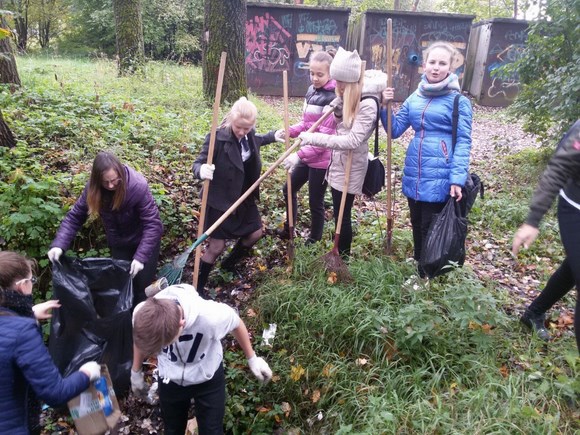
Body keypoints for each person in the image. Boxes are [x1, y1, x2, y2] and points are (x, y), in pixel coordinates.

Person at [380, 41, 472, 277]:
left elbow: (463, 141)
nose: (436, 68)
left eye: (442, 63)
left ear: (451, 68)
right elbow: (395, 130)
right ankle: (421, 264)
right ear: (424, 65)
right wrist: (385, 106)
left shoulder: (458, 101)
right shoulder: (416, 97)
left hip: (440, 172)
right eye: (432, 62)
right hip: (415, 171)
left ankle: (426, 275)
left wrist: (457, 178)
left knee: (431, 226)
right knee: (416, 222)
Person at [130, 283, 272, 435]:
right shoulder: (142, 313)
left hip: (207, 379)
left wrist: (252, 359)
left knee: (211, 431)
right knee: (172, 429)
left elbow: (236, 323)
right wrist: (135, 371)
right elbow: (141, 339)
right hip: (170, 379)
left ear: (181, 325)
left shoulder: (210, 317)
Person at [0, 251, 101, 435]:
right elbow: (55, 394)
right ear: (22, 286)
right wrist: (87, 373)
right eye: (32, 281)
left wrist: (28, 313)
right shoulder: (22, 332)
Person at [297, 47, 385, 257]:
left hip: (352, 165)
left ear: (352, 81)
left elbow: (353, 139)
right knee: (338, 213)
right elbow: (342, 126)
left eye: (342, 82)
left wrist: (313, 138)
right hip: (337, 163)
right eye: (337, 80)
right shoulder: (347, 96)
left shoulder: (368, 104)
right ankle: (338, 253)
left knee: (342, 216)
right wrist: (338, 111)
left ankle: (343, 258)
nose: (338, 86)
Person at [47, 151, 164, 306]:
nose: (110, 186)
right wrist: (59, 244)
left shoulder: (137, 186)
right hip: (119, 243)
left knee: (142, 287)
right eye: (105, 182)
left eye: (114, 181)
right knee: (122, 287)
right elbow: (75, 217)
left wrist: (140, 257)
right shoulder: (93, 190)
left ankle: (142, 321)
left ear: (120, 174)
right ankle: (124, 323)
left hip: (144, 241)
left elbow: (153, 224)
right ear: (97, 180)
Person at [192, 97, 275, 297]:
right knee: (216, 246)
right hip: (220, 199)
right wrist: (201, 170)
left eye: (247, 128)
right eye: (238, 127)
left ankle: (229, 264)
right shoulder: (216, 138)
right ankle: (198, 288)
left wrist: (274, 136)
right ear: (231, 120)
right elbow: (197, 163)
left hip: (243, 196)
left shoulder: (250, 134)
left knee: (255, 233)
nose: (241, 132)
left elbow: (256, 141)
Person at [512, 119, 580, 350]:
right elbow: (558, 169)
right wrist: (532, 220)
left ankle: (534, 312)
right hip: (576, 207)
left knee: (574, 266)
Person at [275, 50, 337, 244]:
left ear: (330, 74)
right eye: (312, 73)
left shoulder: (333, 98)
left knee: (315, 201)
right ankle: (290, 228)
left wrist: (298, 155)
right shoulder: (311, 92)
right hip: (308, 154)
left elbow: (325, 137)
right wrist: (289, 131)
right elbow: (306, 125)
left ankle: (314, 239)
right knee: (289, 188)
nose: (315, 78)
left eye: (320, 74)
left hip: (322, 158)